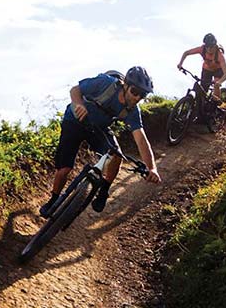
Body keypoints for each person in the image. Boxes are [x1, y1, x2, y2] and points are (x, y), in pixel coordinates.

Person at [39, 66, 162, 217]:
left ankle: (104, 190)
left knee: (116, 156)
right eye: (135, 92)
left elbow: (141, 139)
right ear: (125, 85)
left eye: (142, 95)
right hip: (75, 121)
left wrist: (152, 168)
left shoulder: (133, 111)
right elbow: (75, 90)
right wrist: (79, 104)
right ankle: (53, 199)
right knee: (64, 169)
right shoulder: (105, 83)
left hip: (98, 129)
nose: (137, 97)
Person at [177, 33, 226, 120]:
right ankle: (200, 113)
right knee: (202, 90)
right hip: (206, 70)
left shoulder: (219, 55)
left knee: (216, 86)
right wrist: (180, 63)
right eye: (207, 46)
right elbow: (186, 53)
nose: (209, 49)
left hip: (218, 71)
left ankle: (217, 107)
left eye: (211, 47)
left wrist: (219, 82)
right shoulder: (202, 49)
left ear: (215, 45)